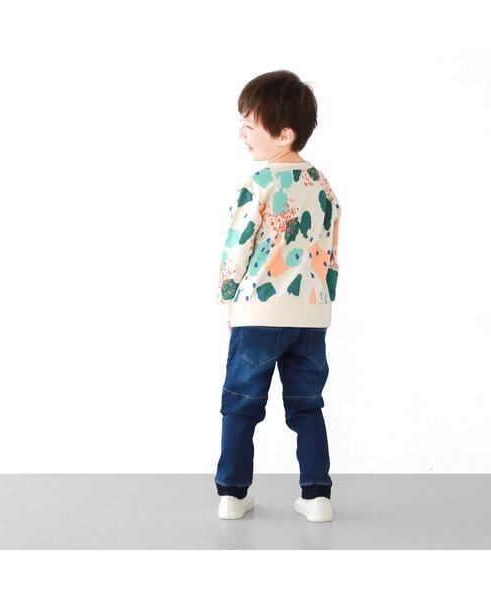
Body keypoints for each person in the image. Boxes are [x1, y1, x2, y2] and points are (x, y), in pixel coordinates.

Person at [214, 70, 341, 523]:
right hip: (310, 315)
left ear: (284, 134)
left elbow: (237, 246)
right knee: (307, 406)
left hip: (258, 314)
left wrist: (228, 297)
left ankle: (232, 495)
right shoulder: (323, 186)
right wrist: (324, 302)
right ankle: (317, 496)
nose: (242, 133)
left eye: (250, 124)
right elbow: (330, 250)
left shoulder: (259, 183)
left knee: (241, 404)